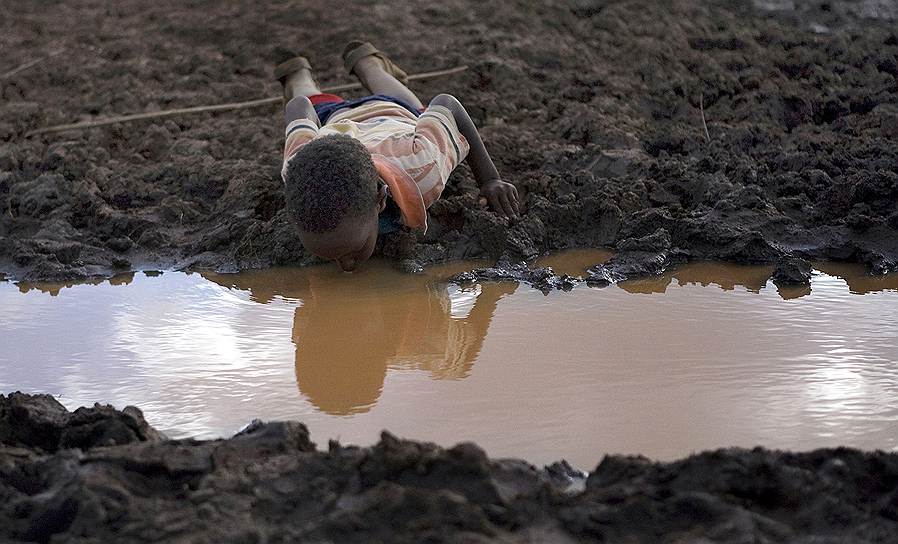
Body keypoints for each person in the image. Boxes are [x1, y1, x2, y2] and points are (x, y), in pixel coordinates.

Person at [276, 41, 520, 272]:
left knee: (412, 107)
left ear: (381, 199)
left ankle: (366, 64)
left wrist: (489, 180)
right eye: (327, 255)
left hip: (392, 113)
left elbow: (449, 104)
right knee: (305, 93)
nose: (347, 266)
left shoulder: (422, 167)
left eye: (353, 250)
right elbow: (298, 106)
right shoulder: (296, 168)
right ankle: (301, 74)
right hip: (337, 119)